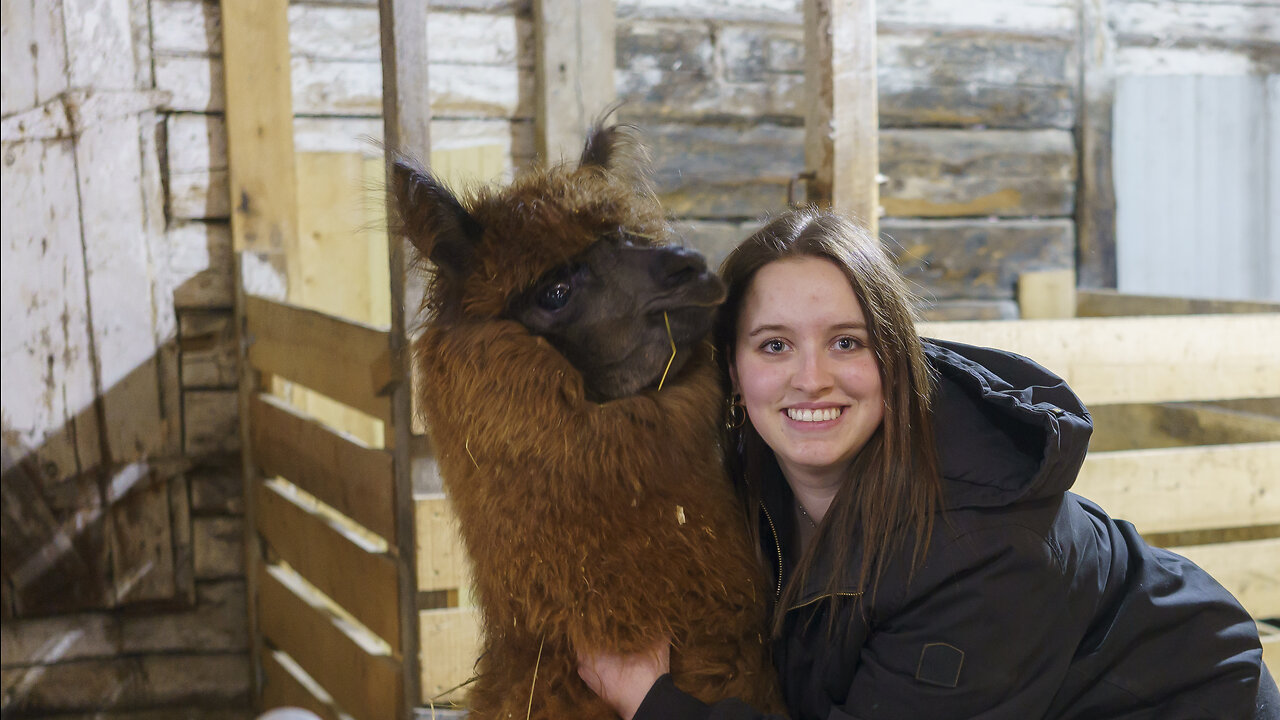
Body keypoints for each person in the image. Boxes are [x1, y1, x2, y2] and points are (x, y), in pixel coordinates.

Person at [576, 207, 1279, 719]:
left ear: (895, 356)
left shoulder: (984, 549)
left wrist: (652, 701)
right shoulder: (746, 477)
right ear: (732, 366)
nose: (812, 378)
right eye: (774, 345)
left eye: (847, 343)